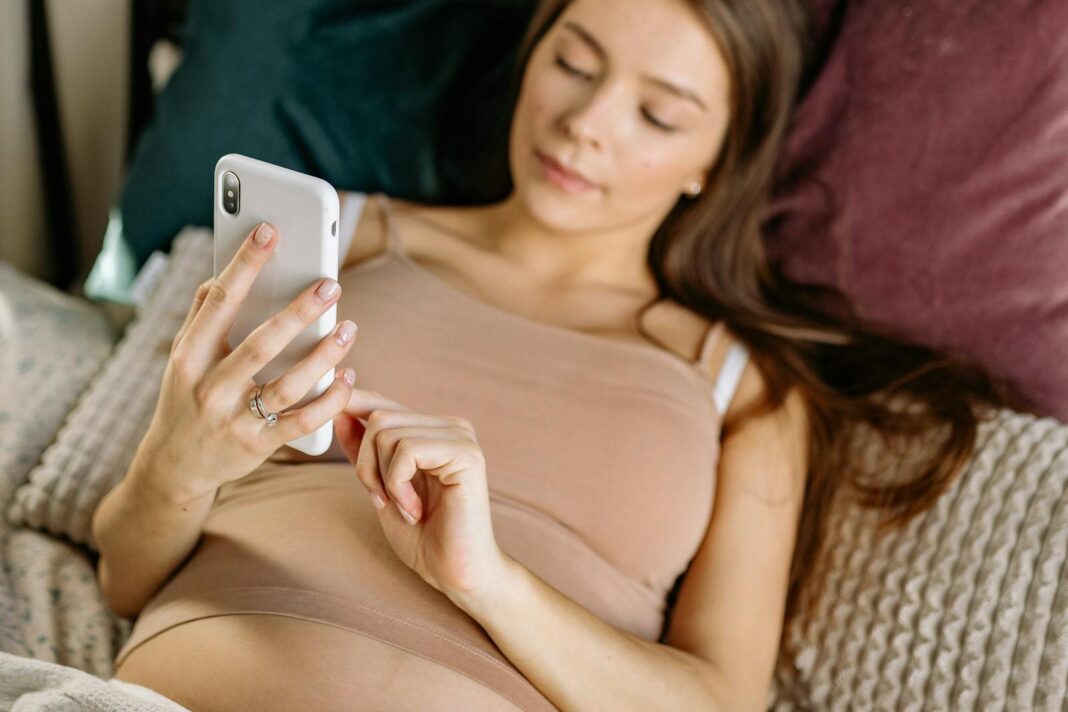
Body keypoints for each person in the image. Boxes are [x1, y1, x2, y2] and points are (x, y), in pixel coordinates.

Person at [91, 0, 1015, 709]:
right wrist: (176, 463)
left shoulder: (746, 388)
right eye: (574, 61)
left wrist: (487, 583)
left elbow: (718, 701)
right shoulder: (343, 237)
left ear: (716, 160)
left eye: (659, 113)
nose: (588, 121)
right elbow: (125, 576)